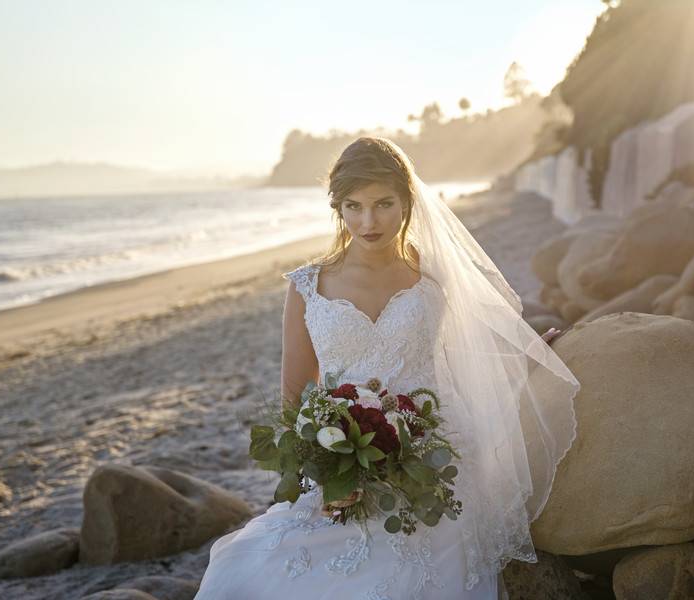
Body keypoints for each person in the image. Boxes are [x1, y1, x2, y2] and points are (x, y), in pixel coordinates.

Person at [193, 137, 580, 599]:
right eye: (353, 206)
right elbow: (295, 396)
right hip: (343, 462)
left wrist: (527, 353)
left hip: (434, 460)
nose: (368, 221)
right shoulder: (307, 287)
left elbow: (465, 353)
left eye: (383, 204)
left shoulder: (434, 278)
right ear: (338, 208)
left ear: (407, 200)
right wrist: (327, 471)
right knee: (259, 572)